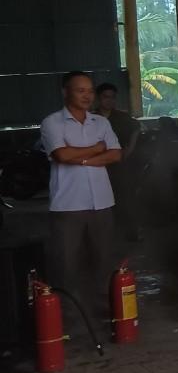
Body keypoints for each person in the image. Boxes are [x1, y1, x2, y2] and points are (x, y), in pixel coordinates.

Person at [40, 71, 121, 328]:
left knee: (104, 258)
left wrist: (83, 159)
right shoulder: (52, 123)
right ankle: (68, 314)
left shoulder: (101, 123)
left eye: (90, 90)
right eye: (80, 90)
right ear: (66, 92)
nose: (87, 95)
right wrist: (97, 150)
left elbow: (116, 154)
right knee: (67, 262)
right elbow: (62, 155)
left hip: (102, 202)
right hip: (68, 205)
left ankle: (104, 309)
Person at [94, 82, 141, 242]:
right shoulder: (92, 118)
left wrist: (129, 149)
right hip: (100, 166)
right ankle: (106, 235)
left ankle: (131, 235)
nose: (109, 101)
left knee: (126, 198)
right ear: (99, 98)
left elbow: (136, 128)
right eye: (106, 97)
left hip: (121, 165)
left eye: (112, 97)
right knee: (103, 200)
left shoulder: (122, 117)